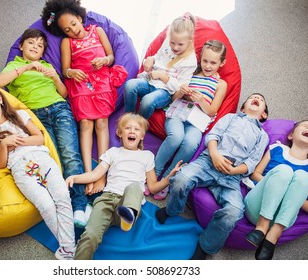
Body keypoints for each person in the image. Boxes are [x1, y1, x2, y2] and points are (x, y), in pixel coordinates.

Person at [0, 28, 91, 228]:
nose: (35, 48)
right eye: (31, 43)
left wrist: (55, 76)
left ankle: (80, 206)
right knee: (52, 157)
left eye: (39, 46)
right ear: (21, 46)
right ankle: (62, 203)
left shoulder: (47, 66)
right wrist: (27, 67)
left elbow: (63, 93)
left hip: (59, 108)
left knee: (70, 154)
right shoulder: (14, 66)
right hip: (36, 115)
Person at [0, 82, 76, 260]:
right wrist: (4, 145)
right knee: (46, 206)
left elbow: (39, 138)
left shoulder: (19, 115)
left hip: (41, 158)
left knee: (62, 197)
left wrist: (15, 141)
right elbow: (0, 164)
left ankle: (68, 250)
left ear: (0, 98)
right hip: (20, 169)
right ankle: (69, 249)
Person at [155, 93, 270, 260]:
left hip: (232, 175)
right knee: (181, 179)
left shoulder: (262, 135)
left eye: (261, 99)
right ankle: (172, 209)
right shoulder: (231, 118)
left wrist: (234, 171)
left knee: (235, 211)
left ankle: (205, 245)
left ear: (264, 114)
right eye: (253, 97)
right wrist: (215, 155)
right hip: (209, 161)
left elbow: (252, 162)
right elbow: (213, 136)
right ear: (243, 108)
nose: (257, 98)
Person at [64, 113, 183, 259]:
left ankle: (128, 215)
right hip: (107, 199)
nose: (132, 131)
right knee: (90, 235)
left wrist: (169, 178)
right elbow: (95, 175)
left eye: (137, 129)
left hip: (128, 200)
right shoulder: (112, 152)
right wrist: (74, 178)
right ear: (120, 133)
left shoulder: (147, 156)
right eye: (127, 128)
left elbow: (152, 187)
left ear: (142, 136)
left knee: (134, 187)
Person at [42, 0, 128, 195]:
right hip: (81, 84)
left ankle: (101, 174)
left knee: (102, 124)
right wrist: (72, 73)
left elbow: (111, 56)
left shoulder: (97, 31)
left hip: (101, 81)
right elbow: (65, 70)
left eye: (74, 24)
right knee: (86, 125)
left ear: (80, 18)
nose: (73, 30)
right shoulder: (67, 42)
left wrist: (104, 60)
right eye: (67, 29)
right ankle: (89, 173)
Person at [152, 40, 228, 200]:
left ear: (222, 63)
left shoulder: (220, 83)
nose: (208, 66)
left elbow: (212, 110)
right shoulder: (191, 73)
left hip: (197, 121)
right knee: (176, 137)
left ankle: (167, 179)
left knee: (191, 144)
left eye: (213, 63)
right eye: (205, 61)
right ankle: (154, 173)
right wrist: (180, 92)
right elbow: (172, 98)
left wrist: (201, 100)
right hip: (177, 114)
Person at [244, 120, 308, 260]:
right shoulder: (276, 149)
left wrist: (293, 196)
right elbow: (255, 174)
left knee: (303, 177)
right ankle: (262, 227)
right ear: (291, 135)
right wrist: (276, 182)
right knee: (284, 171)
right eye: (305, 125)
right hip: (257, 208)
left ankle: (273, 235)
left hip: (282, 220)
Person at [123, 12, 198, 120]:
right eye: (172, 42)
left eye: (180, 44)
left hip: (165, 91)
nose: (175, 47)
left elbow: (179, 88)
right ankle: (128, 119)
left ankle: (139, 125)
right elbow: (158, 57)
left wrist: (162, 76)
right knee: (130, 85)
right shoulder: (168, 44)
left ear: (190, 40)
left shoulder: (190, 61)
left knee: (147, 101)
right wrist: (151, 59)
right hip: (149, 81)